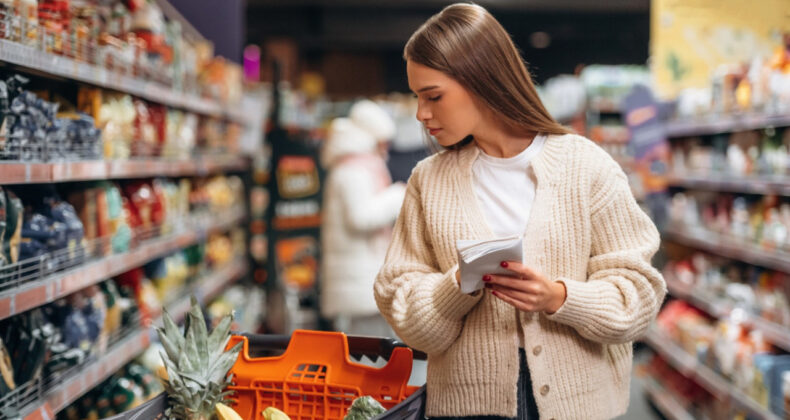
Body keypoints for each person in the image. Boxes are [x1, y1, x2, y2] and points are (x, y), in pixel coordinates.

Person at [374, 4, 666, 420]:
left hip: (578, 404)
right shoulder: (429, 181)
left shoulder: (585, 165)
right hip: (466, 407)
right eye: (417, 97)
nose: (422, 113)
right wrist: (458, 285)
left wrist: (559, 297)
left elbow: (639, 293)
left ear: (481, 80)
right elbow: (402, 307)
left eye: (433, 96)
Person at [320, 99, 406, 336]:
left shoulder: (355, 166)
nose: (386, 148)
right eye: (383, 142)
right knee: (369, 356)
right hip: (359, 280)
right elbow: (360, 218)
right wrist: (398, 194)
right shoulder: (353, 170)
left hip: (360, 275)